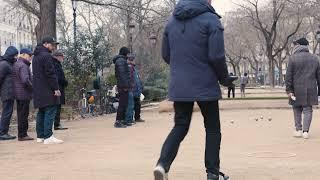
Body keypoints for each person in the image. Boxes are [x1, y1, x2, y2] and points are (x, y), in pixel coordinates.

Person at [153, 0, 234, 179]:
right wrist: (225, 79)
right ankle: (212, 173)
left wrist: (182, 69)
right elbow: (216, 55)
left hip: (180, 85)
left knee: (180, 126)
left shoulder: (171, 22)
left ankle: (162, 165)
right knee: (212, 128)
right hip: (205, 83)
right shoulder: (211, 20)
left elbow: (167, 55)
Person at [285, 37, 320, 139]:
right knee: (308, 110)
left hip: (296, 89)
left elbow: (288, 76)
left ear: (299, 45)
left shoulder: (292, 58)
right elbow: (319, 77)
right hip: (311, 89)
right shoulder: (315, 58)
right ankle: (306, 131)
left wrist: (289, 90)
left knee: (296, 109)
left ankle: (298, 130)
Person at [33, 36, 63, 144]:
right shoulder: (46, 56)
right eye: (52, 44)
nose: (54, 47)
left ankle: (40, 136)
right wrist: (56, 88)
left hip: (38, 89)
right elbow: (50, 74)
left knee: (41, 111)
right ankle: (48, 136)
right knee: (50, 110)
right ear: (45, 44)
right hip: (47, 89)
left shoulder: (36, 56)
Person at [12, 48, 34, 141]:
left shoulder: (17, 64)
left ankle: (21, 134)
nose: (30, 58)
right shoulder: (23, 65)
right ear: (24, 55)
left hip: (18, 93)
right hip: (24, 94)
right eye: (29, 56)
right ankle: (23, 134)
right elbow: (25, 80)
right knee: (23, 115)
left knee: (20, 114)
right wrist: (32, 87)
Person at [0, 46, 18, 141]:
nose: (16, 57)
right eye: (15, 55)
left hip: (10, 92)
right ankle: (3, 133)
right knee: (6, 113)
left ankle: (4, 132)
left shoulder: (8, 63)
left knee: (8, 112)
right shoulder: (4, 64)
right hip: (7, 93)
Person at [113, 47, 131, 128]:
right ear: (124, 53)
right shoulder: (120, 61)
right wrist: (125, 86)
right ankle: (118, 121)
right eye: (127, 53)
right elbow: (122, 74)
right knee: (122, 104)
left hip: (123, 85)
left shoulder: (122, 60)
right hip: (123, 86)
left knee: (124, 103)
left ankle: (122, 120)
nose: (128, 55)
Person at [52, 50, 68, 131]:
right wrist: (65, 82)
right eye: (62, 56)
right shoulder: (55, 64)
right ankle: (56, 124)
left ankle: (57, 123)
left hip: (59, 87)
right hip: (58, 88)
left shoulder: (56, 64)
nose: (63, 58)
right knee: (57, 106)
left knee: (58, 106)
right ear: (57, 56)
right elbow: (58, 77)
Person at [125, 54, 136, 126]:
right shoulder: (129, 67)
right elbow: (130, 77)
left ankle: (130, 119)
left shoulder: (131, 67)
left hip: (130, 87)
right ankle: (129, 119)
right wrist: (131, 85)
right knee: (130, 104)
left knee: (130, 104)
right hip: (129, 88)